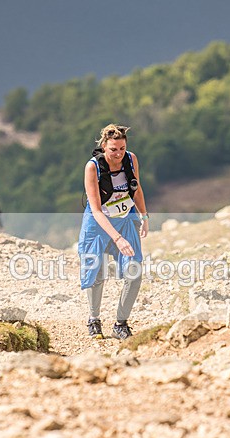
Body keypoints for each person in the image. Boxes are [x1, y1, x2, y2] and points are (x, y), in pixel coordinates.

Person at [78, 124, 149, 340]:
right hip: (98, 224)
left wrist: (144, 216)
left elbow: (136, 189)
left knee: (134, 272)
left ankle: (121, 324)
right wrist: (117, 239)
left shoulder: (131, 159)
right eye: (113, 150)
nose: (118, 154)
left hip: (125, 220)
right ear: (104, 147)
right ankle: (94, 319)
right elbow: (96, 210)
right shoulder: (93, 167)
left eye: (122, 148)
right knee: (97, 272)